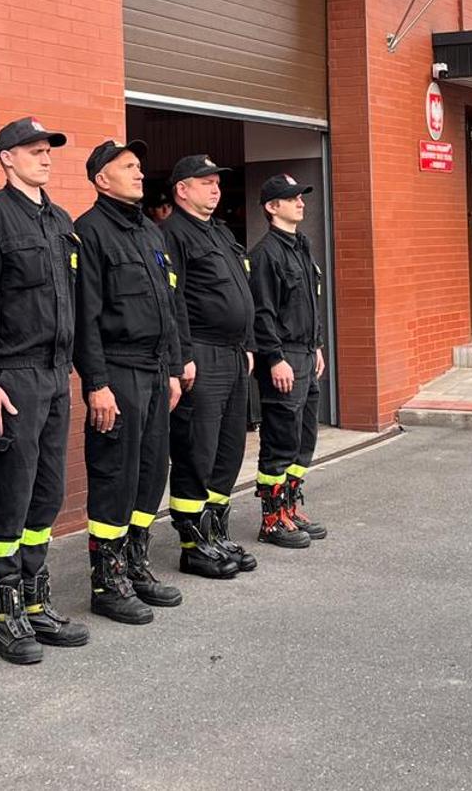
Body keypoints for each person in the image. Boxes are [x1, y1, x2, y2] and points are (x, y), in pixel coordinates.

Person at [0, 116, 92, 665]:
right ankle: (6, 611)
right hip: (13, 374)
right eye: (33, 150)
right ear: (6, 158)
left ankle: (37, 599)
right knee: (11, 495)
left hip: (55, 372)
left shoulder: (60, 219)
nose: (45, 158)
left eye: (48, 151)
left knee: (47, 493)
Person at [74, 139, 186, 625]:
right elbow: (86, 317)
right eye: (129, 167)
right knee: (115, 475)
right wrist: (96, 383)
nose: (140, 173)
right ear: (102, 179)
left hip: (157, 370)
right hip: (118, 370)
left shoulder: (149, 231)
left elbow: (170, 302)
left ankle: (137, 564)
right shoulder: (90, 232)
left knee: (149, 472)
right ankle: (108, 580)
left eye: (140, 166)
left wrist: (176, 367)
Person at [162, 155, 261, 577]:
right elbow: (173, 300)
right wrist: (182, 355)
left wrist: (251, 344)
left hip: (235, 353)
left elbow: (242, 290)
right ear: (182, 189)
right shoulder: (173, 235)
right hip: (201, 355)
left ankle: (216, 533)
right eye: (205, 182)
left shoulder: (220, 233)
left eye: (217, 182)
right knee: (196, 449)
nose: (215, 188)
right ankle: (193, 544)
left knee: (228, 449)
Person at [248, 174, 329, 549]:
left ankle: (291, 507)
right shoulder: (265, 254)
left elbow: (309, 303)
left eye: (301, 197)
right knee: (280, 439)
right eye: (291, 198)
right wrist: (275, 358)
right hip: (283, 357)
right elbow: (262, 312)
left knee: (303, 439)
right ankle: (271, 518)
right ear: (271, 207)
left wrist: (317, 346)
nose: (300, 202)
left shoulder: (301, 245)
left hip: (306, 353)